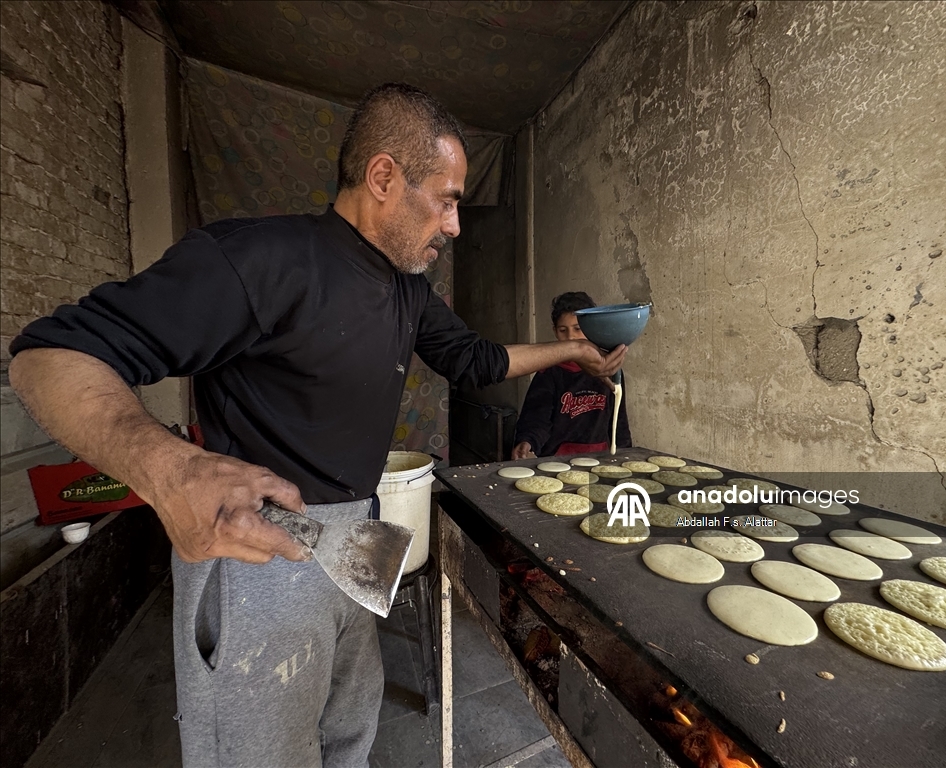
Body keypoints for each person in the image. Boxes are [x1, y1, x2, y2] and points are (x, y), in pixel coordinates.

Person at [8, 83, 625, 768]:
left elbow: (476, 361)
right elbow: (50, 357)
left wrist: (575, 351)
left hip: (362, 531)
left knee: (348, 730)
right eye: (447, 199)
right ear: (384, 176)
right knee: (262, 754)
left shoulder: (408, 290)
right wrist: (168, 467)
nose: (455, 224)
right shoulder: (259, 260)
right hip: (263, 548)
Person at [511, 292, 632, 459]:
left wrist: (625, 454)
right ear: (555, 331)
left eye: (578, 329)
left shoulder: (609, 369)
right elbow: (537, 419)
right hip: (557, 463)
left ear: (592, 328)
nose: (571, 337)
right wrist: (527, 441)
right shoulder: (549, 373)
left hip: (600, 460)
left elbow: (619, 422)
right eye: (563, 330)